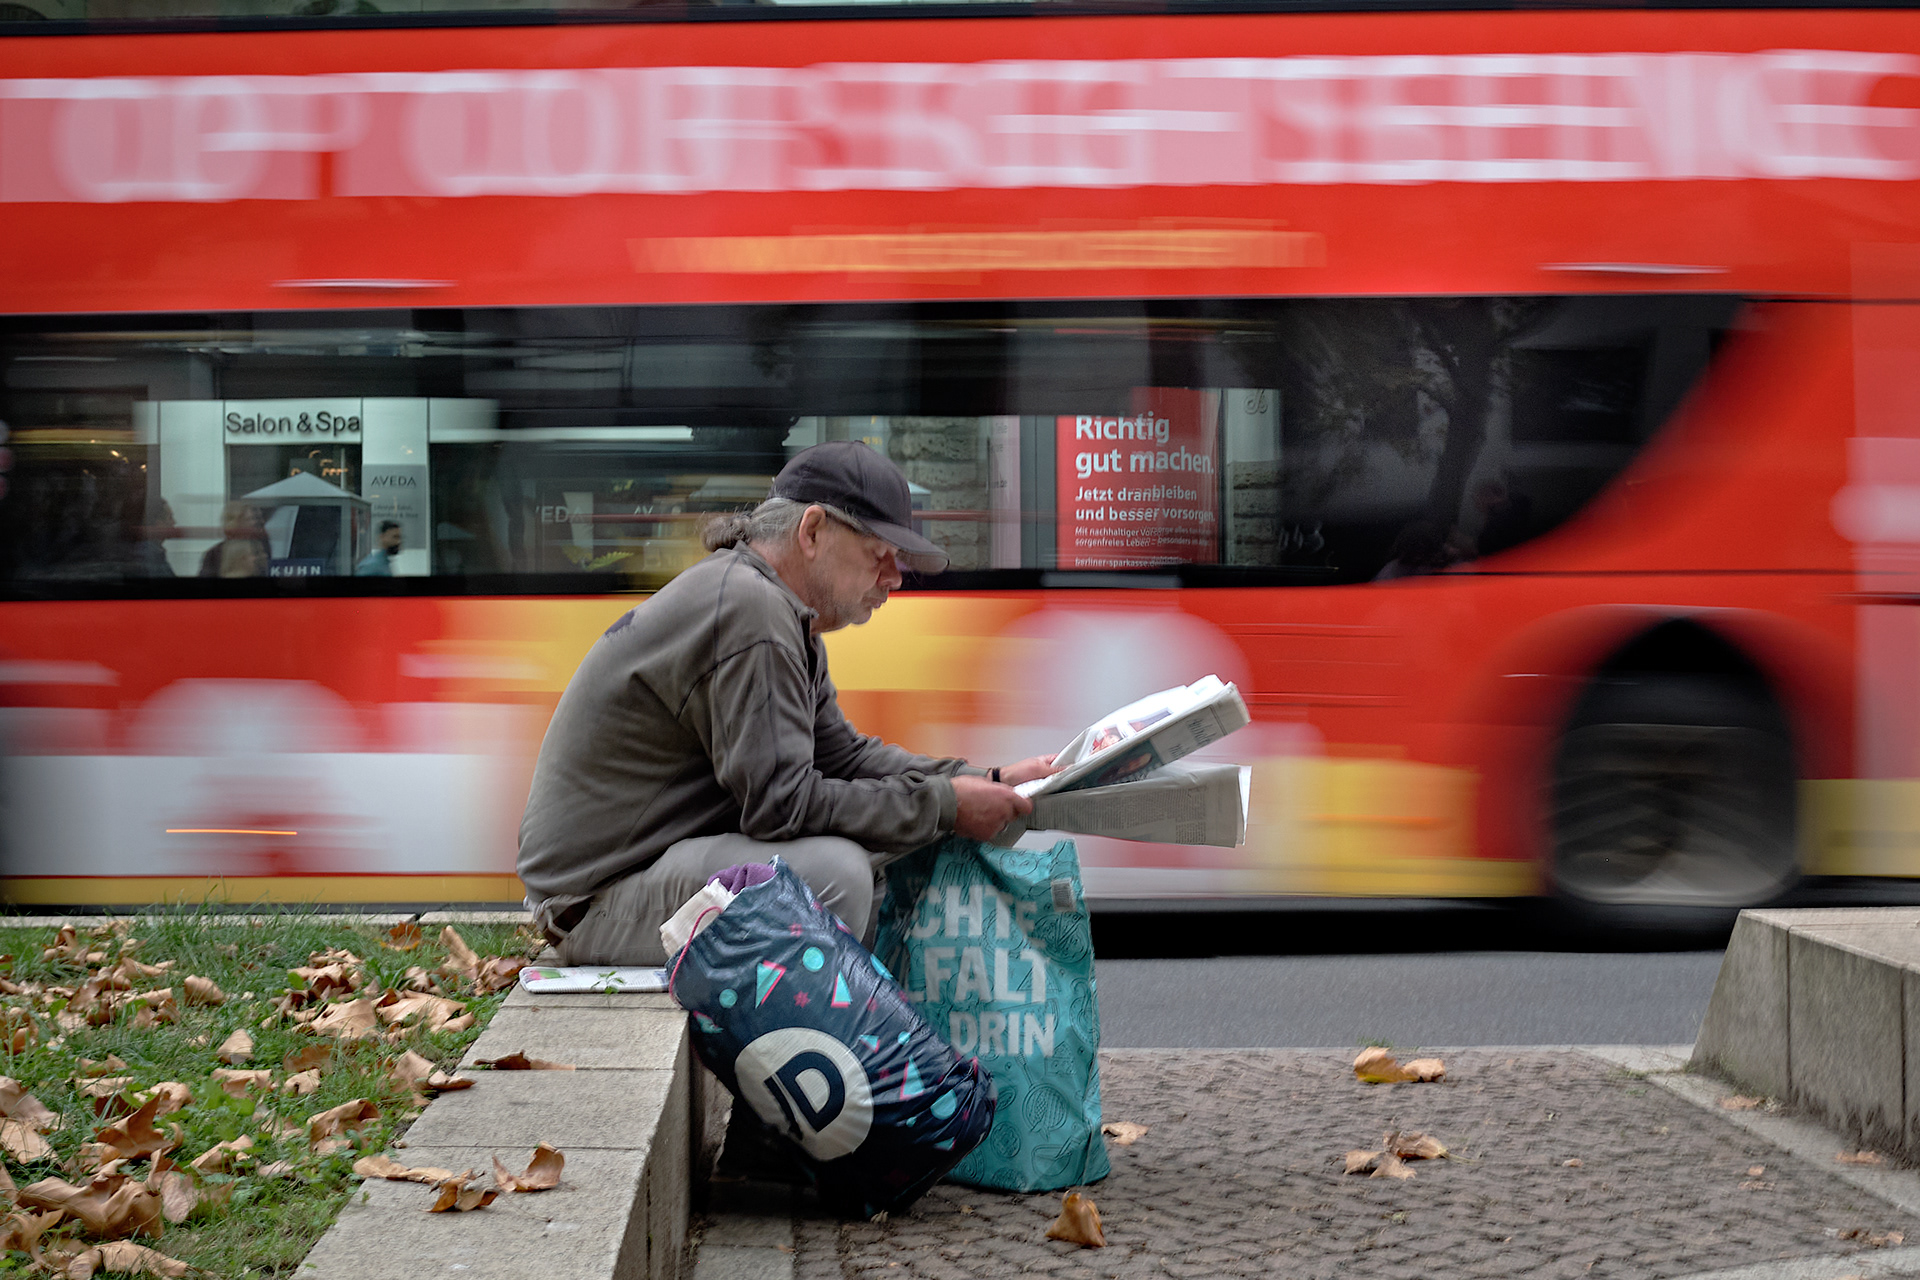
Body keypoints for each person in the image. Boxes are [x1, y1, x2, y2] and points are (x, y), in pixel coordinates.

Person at [518, 441, 1055, 966]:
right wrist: (944, 804)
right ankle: (810, 1054)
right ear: (813, 530)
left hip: (642, 874)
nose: (893, 579)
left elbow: (842, 757)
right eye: (879, 555)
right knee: (834, 872)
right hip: (592, 904)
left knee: (895, 840)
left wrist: (984, 777)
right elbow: (783, 807)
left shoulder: (776, 607)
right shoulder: (752, 611)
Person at [196, 503, 269, 578]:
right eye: (248, 519)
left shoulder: (260, 549)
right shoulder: (214, 554)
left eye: (254, 518)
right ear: (236, 522)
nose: (254, 522)